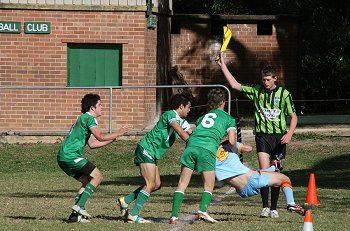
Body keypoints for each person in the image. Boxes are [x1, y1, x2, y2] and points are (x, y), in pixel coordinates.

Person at [216, 54, 298, 218]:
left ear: (275, 78)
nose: (265, 83)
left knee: (275, 172)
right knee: (263, 170)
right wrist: (222, 65)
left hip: (279, 138)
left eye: (268, 80)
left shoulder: (284, 94)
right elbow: (234, 84)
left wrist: (289, 133)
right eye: (264, 80)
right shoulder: (256, 91)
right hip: (262, 136)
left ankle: (274, 208)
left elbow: (294, 116)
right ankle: (265, 207)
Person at [116, 93, 192, 223]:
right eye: (188, 107)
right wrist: (191, 143)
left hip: (152, 153)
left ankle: (125, 200)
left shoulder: (182, 121)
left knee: (156, 184)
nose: (190, 110)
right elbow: (181, 133)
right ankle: (134, 215)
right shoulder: (170, 115)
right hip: (146, 149)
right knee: (150, 184)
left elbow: (190, 133)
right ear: (181, 106)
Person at [57, 93, 131, 223]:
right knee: (98, 177)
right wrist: (119, 132)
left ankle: (75, 215)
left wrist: (114, 138)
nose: (102, 107)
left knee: (86, 181)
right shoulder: (90, 119)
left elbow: (93, 144)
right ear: (92, 108)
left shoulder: (83, 119)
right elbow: (100, 136)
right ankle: (79, 206)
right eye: (100, 105)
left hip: (63, 157)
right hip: (71, 156)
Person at [169, 88, 237, 225]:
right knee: (209, 184)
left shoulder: (202, 118)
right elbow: (232, 142)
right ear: (223, 102)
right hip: (207, 150)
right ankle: (203, 211)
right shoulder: (229, 119)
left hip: (191, 146)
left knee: (182, 183)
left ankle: (173, 217)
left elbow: (199, 131)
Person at [215, 140, 306, 217]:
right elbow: (249, 148)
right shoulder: (228, 145)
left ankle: (273, 168)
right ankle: (291, 204)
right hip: (251, 180)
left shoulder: (209, 155)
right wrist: (234, 143)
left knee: (254, 173)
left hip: (241, 190)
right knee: (285, 179)